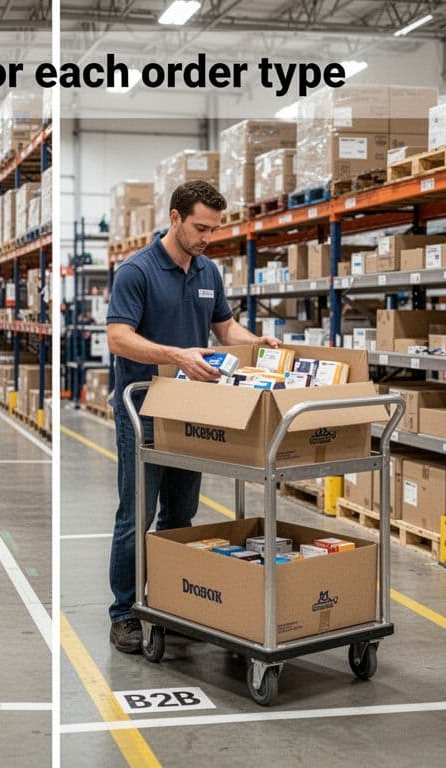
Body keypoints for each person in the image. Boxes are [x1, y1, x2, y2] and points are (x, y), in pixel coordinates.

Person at [104, 179, 280, 654]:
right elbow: (118, 338)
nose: (208, 238)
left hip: (192, 409)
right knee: (135, 512)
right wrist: (174, 355)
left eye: (214, 230)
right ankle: (124, 612)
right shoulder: (136, 271)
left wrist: (253, 342)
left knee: (181, 512)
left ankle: (167, 597)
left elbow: (224, 327)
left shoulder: (207, 272)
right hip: (142, 407)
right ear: (176, 218)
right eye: (201, 228)